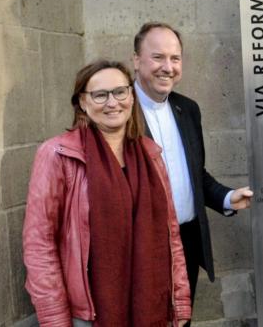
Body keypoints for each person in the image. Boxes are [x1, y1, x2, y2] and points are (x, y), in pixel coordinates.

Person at [23, 60, 191, 326]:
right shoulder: (58, 155)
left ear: (132, 97)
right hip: (87, 315)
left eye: (120, 92)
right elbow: (39, 245)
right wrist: (55, 318)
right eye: (100, 95)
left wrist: (180, 301)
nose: (112, 103)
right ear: (83, 102)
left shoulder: (151, 153)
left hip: (150, 305)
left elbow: (171, 234)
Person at [132, 22, 253, 308]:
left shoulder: (188, 109)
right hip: (140, 249)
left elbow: (195, 174)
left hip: (185, 242)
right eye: (158, 57)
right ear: (136, 60)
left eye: (175, 58)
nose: (168, 67)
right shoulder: (119, 111)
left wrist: (227, 197)